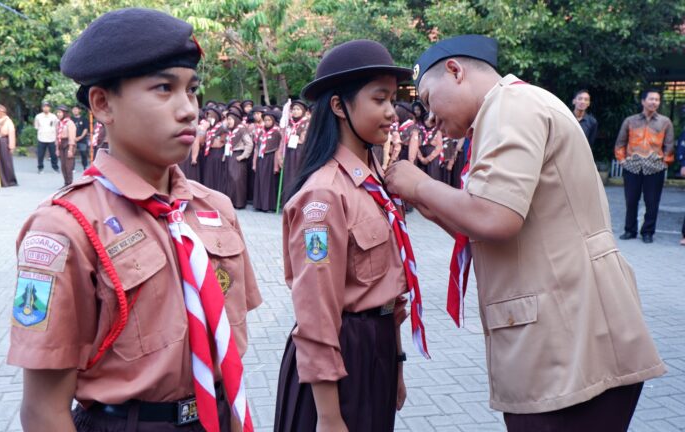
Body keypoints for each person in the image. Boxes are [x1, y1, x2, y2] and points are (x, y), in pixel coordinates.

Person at [385, 34, 665, 432]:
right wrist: (432, 207)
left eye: (429, 100)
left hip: (569, 343)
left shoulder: (510, 106)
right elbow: (491, 228)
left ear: (455, 71)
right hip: (570, 335)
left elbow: (495, 216)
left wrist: (416, 185)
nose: (428, 118)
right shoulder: (509, 108)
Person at [7, 8, 261, 432]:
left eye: (192, 90)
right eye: (164, 88)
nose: (188, 110)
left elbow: (228, 357)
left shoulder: (213, 208)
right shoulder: (65, 227)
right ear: (103, 104)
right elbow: (43, 410)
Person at [275, 39, 426, 432]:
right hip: (339, 366)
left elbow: (390, 294)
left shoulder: (372, 181)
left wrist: (396, 367)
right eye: (379, 99)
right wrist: (327, 416)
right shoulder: (323, 196)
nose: (392, 112)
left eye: (393, 99)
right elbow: (315, 311)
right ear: (339, 106)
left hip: (375, 353)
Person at [615, 88, 675, 243]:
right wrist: (622, 160)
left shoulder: (665, 122)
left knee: (652, 201)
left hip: (655, 167)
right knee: (631, 200)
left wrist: (665, 163)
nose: (654, 102)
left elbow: (669, 145)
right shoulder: (630, 120)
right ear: (643, 101)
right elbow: (620, 143)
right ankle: (630, 230)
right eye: (651, 99)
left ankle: (648, 232)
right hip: (632, 166)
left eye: (657, 100)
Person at [278, 100, 310, 206]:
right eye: (294, 109)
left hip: (300, 152)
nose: (295, 112)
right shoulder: (290, 123)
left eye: (298, 109)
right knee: (288, 176)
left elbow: (306, 139)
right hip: (289, 152)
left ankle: (297, 203)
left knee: (297, 176)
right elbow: (283, 139)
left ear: (304, 111)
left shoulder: (307, 123)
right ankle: (287, 202)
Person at [252, 109, 282, 212]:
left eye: (269, 120)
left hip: (270, 159)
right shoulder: (261, 132)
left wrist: (276, 165)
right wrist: (254, 163)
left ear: (273, 121)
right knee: (260, 181)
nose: (267, 122)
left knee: (268, 183)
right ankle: (259, 204)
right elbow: (257, 148)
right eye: (265, 120)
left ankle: (268, 205)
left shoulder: (276, 133)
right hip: (261, 159)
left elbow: (278, 149)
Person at [224, 107, 254, 209]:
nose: (228, 122)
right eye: (227, 119)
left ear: (236, 120)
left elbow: (249, 144)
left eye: (230, 119)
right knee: (229, 180)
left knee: (237, 180)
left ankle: (239, 203)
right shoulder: (230, 131)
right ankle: (230, 202)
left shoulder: (241, 129)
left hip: (238, 157)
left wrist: (243, 156)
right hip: (230, 156)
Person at [200, 106, 227, 193]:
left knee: (216, 173)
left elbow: (223, 142)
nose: (209, 118)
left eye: (211, 116)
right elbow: (202, 140)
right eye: (208, 116)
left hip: (218, 153)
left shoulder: (221, 128)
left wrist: (216, 141)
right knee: (209, 174)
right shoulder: (209, 128)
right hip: (209, 153)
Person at [0, 104, 18, 187]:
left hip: (4, 141)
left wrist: (11, 146)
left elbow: (11, 133)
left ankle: (9, 180)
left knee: (6, 161)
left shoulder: (7, 120)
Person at [34, 101, 59, 174]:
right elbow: (36, 127)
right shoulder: (38, 116)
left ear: (50, 108)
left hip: (52, 138)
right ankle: (40, 168)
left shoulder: (53, 116)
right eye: (44, 106)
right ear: (42, 108)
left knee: (53, 155)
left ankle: (55, 168)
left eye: (47, 106)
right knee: (40, 154)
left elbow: (56, 127)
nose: (46, 108)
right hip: (41, 138)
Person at [72, 105, 90, 170]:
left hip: (82, 139)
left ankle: (85, 166)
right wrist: (73, 138)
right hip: (73, 139)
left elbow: (86, 129)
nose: (75, 110)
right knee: (72, 153)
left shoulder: (84, 119)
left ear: (79, 110)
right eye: (73, 109)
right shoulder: (70, 119)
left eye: (76, 109)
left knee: (83, 153)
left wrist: (80, 137)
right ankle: (72, 168)